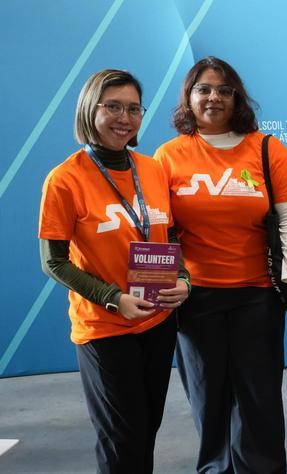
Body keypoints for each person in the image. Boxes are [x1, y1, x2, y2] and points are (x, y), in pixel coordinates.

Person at [154, 56, 287, 473]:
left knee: (258, 397)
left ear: (237, 98)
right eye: (204, 89)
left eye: (224, 90)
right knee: (208, 398)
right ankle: (216, 468)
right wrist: (163, 283)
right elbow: (159, 227)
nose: (214, 97)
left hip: (256, 294)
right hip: (194, 297)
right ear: (188, 97)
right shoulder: (169, 156)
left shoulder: (266, 148)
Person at [38, 69, 189, 472]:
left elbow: (169, 234)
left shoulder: (151, 168)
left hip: (157, 320)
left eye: (134, 109)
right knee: (122, 436)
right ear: (91, 110)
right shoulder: (64, 179)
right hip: (104, 328)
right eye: (114, 107)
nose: (125, 118)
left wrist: (183, 278)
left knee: (146, 430)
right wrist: (112, 298)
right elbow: (53, 261)